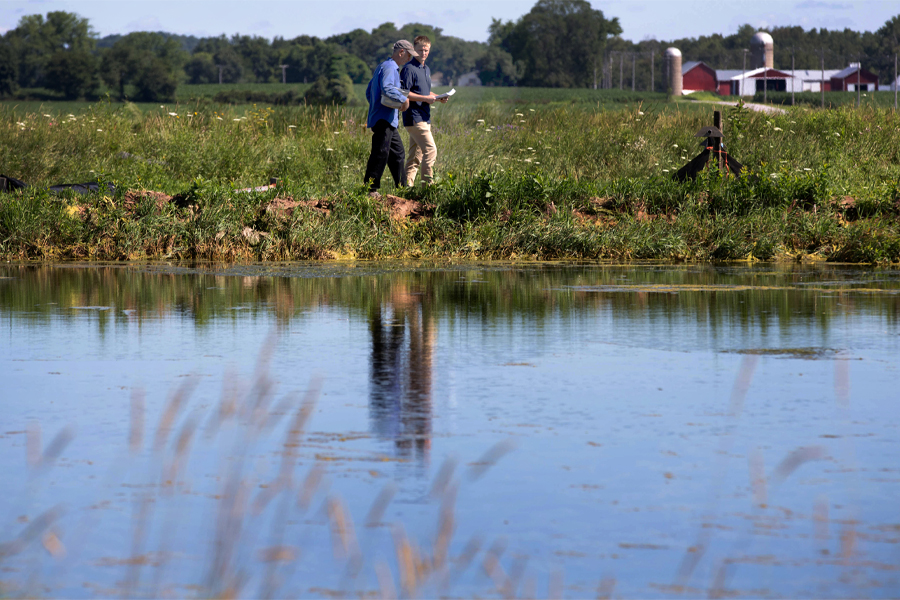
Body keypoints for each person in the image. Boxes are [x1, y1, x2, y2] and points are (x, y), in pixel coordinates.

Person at [363, 40, 417, 195]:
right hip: (383, 119)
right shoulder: (391, 68)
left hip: (386, 118)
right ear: (401, 52)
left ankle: (403, 188)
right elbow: (387, 88)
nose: (409, 59)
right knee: (381, 152)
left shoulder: (382, 66)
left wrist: (375, 106)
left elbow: (369, 91)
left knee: (398, 153)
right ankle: (371, 189)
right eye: (408, 55)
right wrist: (403, 99)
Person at [400, 35, 448, 186]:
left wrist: (438, 97)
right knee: (431, 150)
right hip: (414, 118)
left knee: (415, 156)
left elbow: (425, 93)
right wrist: (426, 99)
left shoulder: (426, 69)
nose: (423, 53)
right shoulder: (408, 69)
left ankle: (407, 187)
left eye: (426, 50)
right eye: (420, 50)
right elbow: (403, 93)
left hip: (425, 117)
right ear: (414, 50)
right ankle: (428, 187)